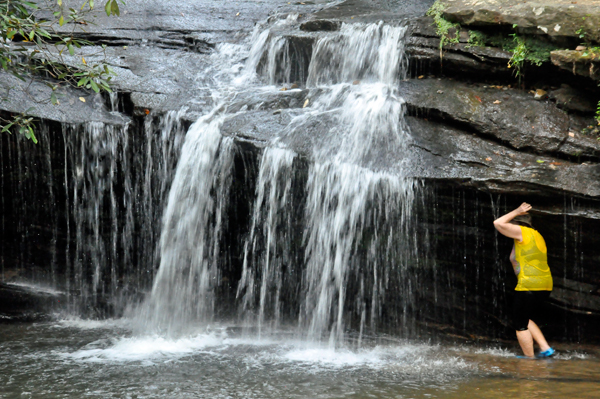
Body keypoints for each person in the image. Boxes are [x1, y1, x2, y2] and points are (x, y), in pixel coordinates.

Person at [493, 202, 555, 358]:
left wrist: (516, 211)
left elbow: (498, 223)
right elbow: (515, 259)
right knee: (524, 317)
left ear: (516, 224)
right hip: (544, 284)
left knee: (520, 324)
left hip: (529, 284)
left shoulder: (523, 232)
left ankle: (529, 360)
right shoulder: (534, 236)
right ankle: (545, 348)